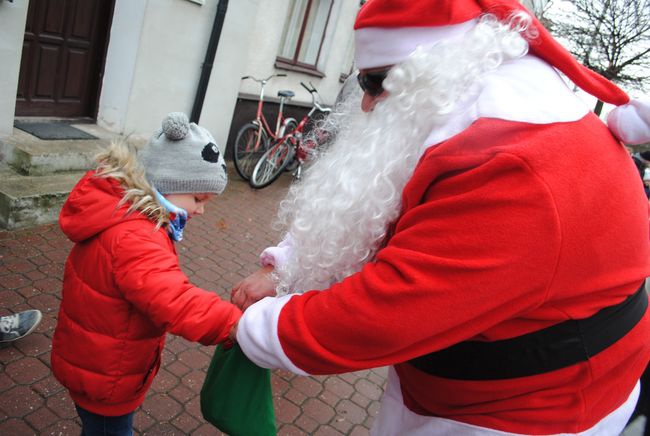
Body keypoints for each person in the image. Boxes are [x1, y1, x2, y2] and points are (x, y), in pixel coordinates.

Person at [231, 0, 650, 435]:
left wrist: (253, 327)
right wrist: (283, 271)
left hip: (519, 414)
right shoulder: (460, 117)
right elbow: (365, 209)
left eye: (374, 84)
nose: (368, 106)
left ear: (432, 69)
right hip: (456, 383)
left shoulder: (512, 166)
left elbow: (384, 316)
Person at [51, 112, 241, 436]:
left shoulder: (126, 216)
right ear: (167, 183)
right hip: (108, 378)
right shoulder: (136, 236)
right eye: (198, 198)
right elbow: (175, 299)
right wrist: (235, 324)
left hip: (98, 362)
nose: (201, 210)